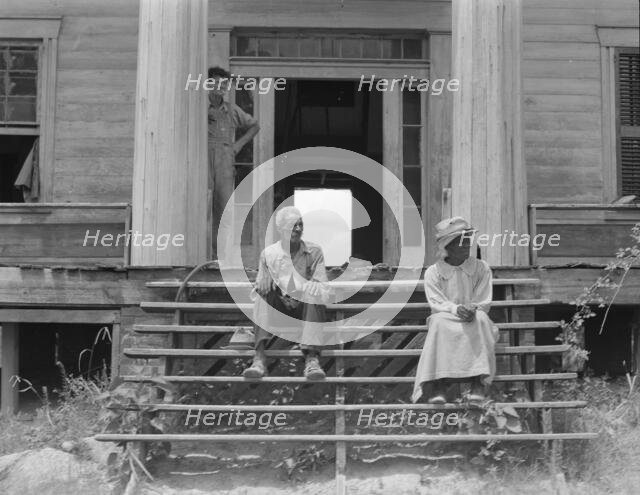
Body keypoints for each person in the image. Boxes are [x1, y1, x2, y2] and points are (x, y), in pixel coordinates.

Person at [412, 217, 499, 404]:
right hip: (446, 317)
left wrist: (472, 308)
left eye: (468, 239)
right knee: (438, 322)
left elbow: (484, 299)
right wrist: (455, 309)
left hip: (473, 315)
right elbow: (436, 302)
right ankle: (438, 386)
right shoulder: (433, 272)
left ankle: (478, 383)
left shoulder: (481, 268)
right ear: (448, 246)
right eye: (461, 241)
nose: (467, 244)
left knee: (482, 319)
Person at [243, 206, 331, 380]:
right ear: (281, 228)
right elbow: (258, 289)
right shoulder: (268, 254)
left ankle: (312, 360)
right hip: (279, 310)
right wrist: (264, 280)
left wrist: (314, 286)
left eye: (300, 225)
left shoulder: (314, 252)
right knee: (263, 293)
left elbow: (324, 288)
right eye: (293, 225)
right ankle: (259, 358)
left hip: (305, 312)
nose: (298, 229)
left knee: (314, 293)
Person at [207, 66, 260, 259]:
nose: (221, 87)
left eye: (225, 84)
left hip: (225, 161)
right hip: (203, 159)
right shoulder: (200, 107)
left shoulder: (231, 110)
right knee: (203, 206)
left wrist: (237, 146)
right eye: (217, 83)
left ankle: (221, 256)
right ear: (208, 83)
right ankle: (201, 256)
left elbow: (254, 125)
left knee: (224, 209)